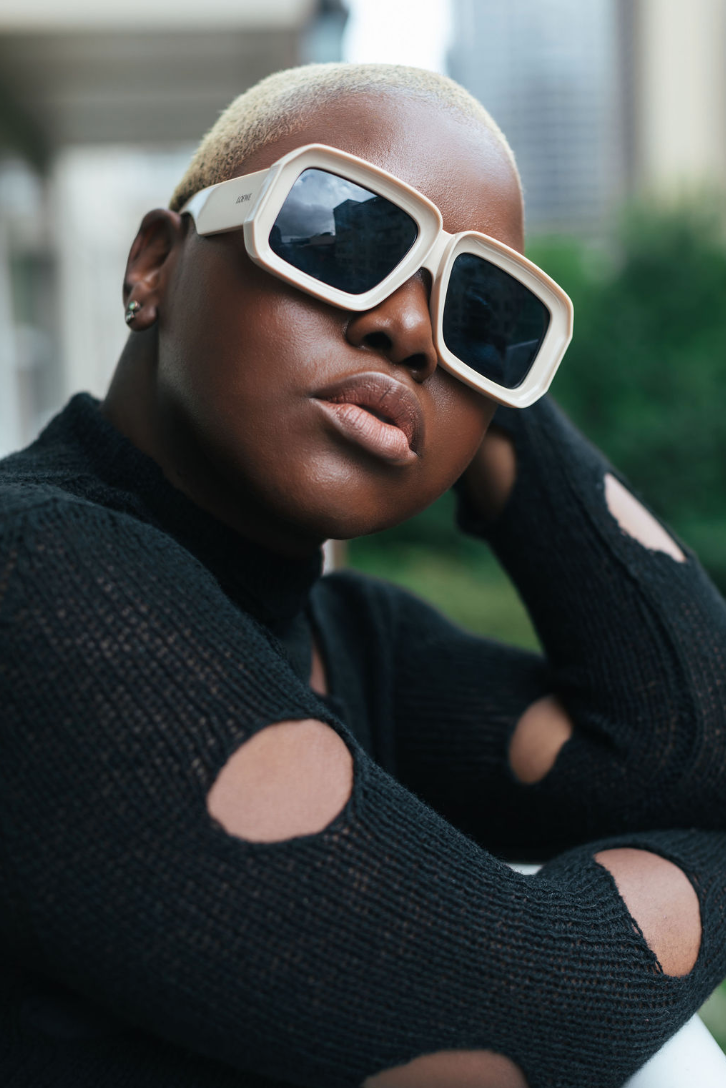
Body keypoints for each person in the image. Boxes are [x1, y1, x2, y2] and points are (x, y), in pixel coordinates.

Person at [0, 62, 725, 1088]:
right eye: (342, 232)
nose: (408, 327)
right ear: (156, 264)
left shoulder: (355, 640)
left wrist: (468, 364)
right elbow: (524, 1010)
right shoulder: (36, 576)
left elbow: (697, 738)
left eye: (482, 315)